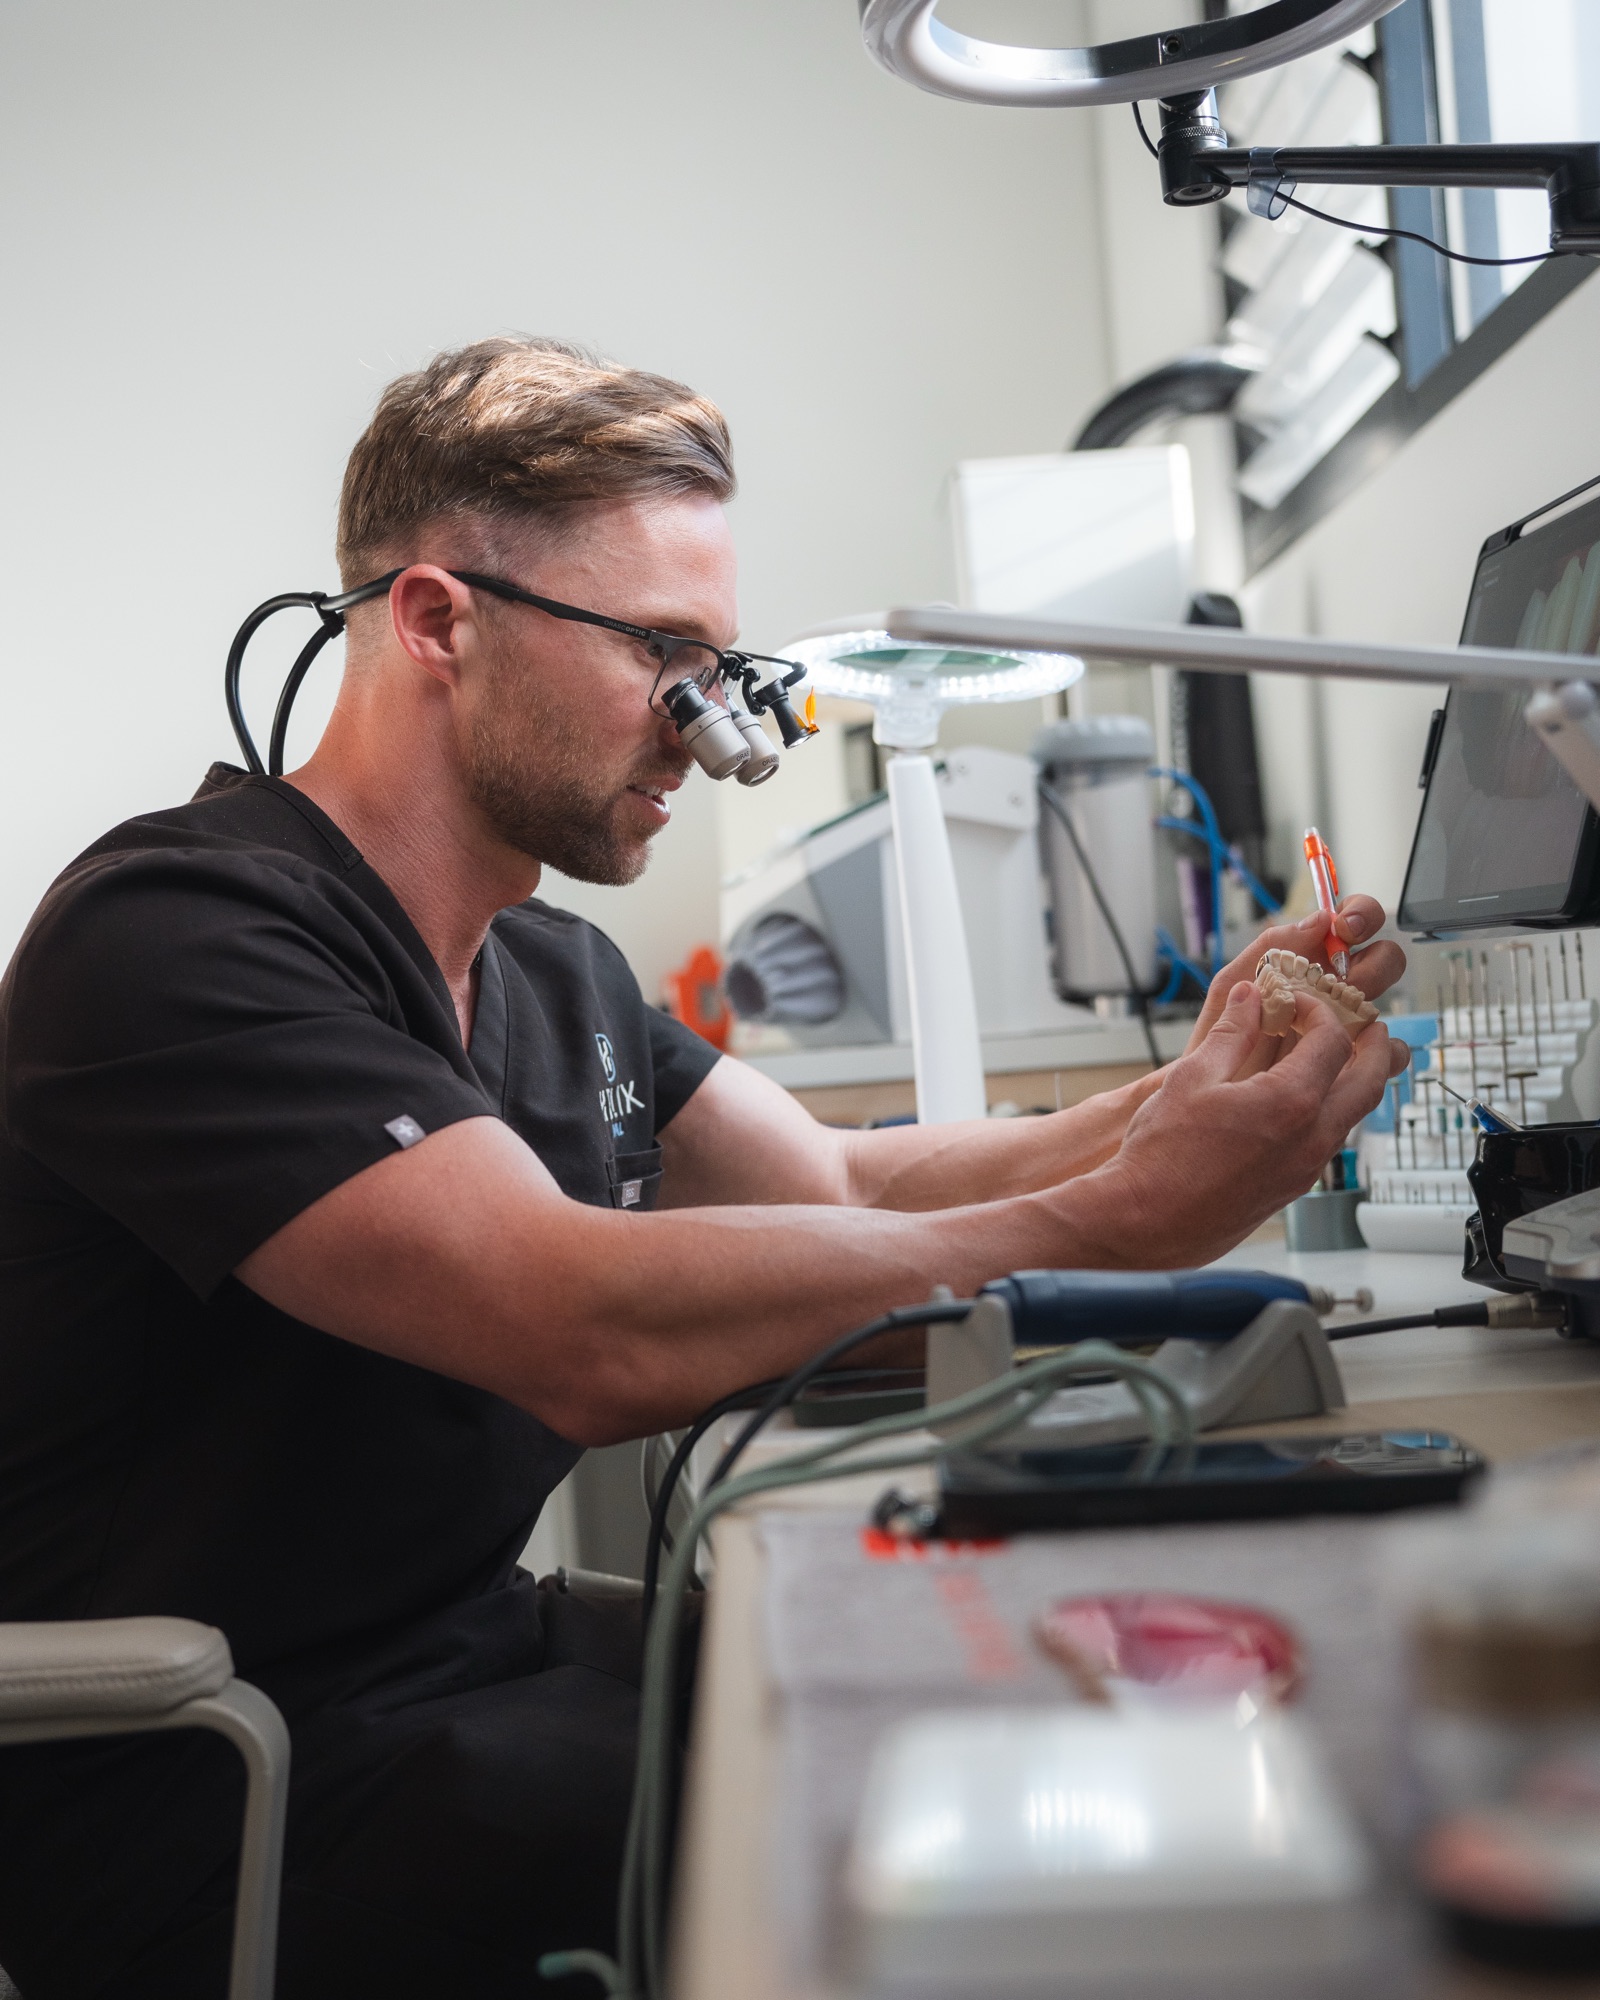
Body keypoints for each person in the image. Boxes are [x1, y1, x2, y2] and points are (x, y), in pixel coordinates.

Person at [0, 337, 1408, 1998]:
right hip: (215, 1775)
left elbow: (846, 1189)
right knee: (897, 1834)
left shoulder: (550, 967)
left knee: (958, 1688)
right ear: (439, 619)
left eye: (720, 666)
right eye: (666, 657)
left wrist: (1189, 1093)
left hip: (463, 1673)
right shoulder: (174, 938)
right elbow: (573, 1327)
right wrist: (1115, 1214)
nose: (709, 729)